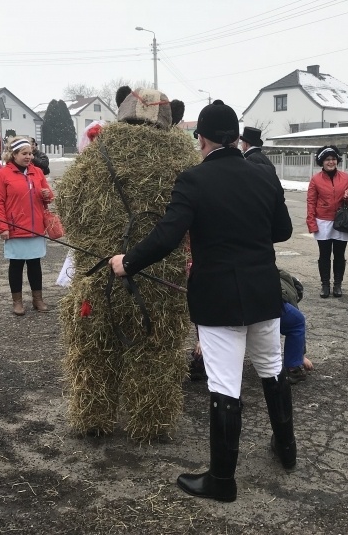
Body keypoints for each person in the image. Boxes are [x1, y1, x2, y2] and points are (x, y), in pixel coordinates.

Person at [109, 99, 294, 503]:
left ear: (202, 139)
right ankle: (287, 449)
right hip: (263, 290)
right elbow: (282, 231)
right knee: (271, 368)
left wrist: (129, 262)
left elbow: (167, 236)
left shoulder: (194, 179)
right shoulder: (264, 174)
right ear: (237, 137)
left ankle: (222, 481)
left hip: (219, 295)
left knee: (225, 384)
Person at [0, 136, 53, 316]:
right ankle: (17, 302)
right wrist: (2, 226)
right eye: (24, 154)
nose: (29, 157)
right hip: (15, 228)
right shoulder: (3, 174)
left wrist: (46, 194)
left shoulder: (37, 172)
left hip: (36, 227)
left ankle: (37, 299)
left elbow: (49, 196)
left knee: (35, 265)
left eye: (30, 153)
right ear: (14, 154)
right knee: (16, 265)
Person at [306, 145, 348, 298]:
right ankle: (325, 284)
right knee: (324, 255)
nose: (331, 162)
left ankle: (338, 285)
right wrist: (311, 222)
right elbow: (311, 202)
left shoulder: (345, 177)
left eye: (333, 159)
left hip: (341, 221)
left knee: (339, 254)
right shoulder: (315, 179)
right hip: (323, 222)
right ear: (322, 161)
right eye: (327, 159)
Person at [278, 268, 313, 384]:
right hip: (262, 302)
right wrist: (300, 356)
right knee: (296, 322)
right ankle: (293, 368)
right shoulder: (289, 289)